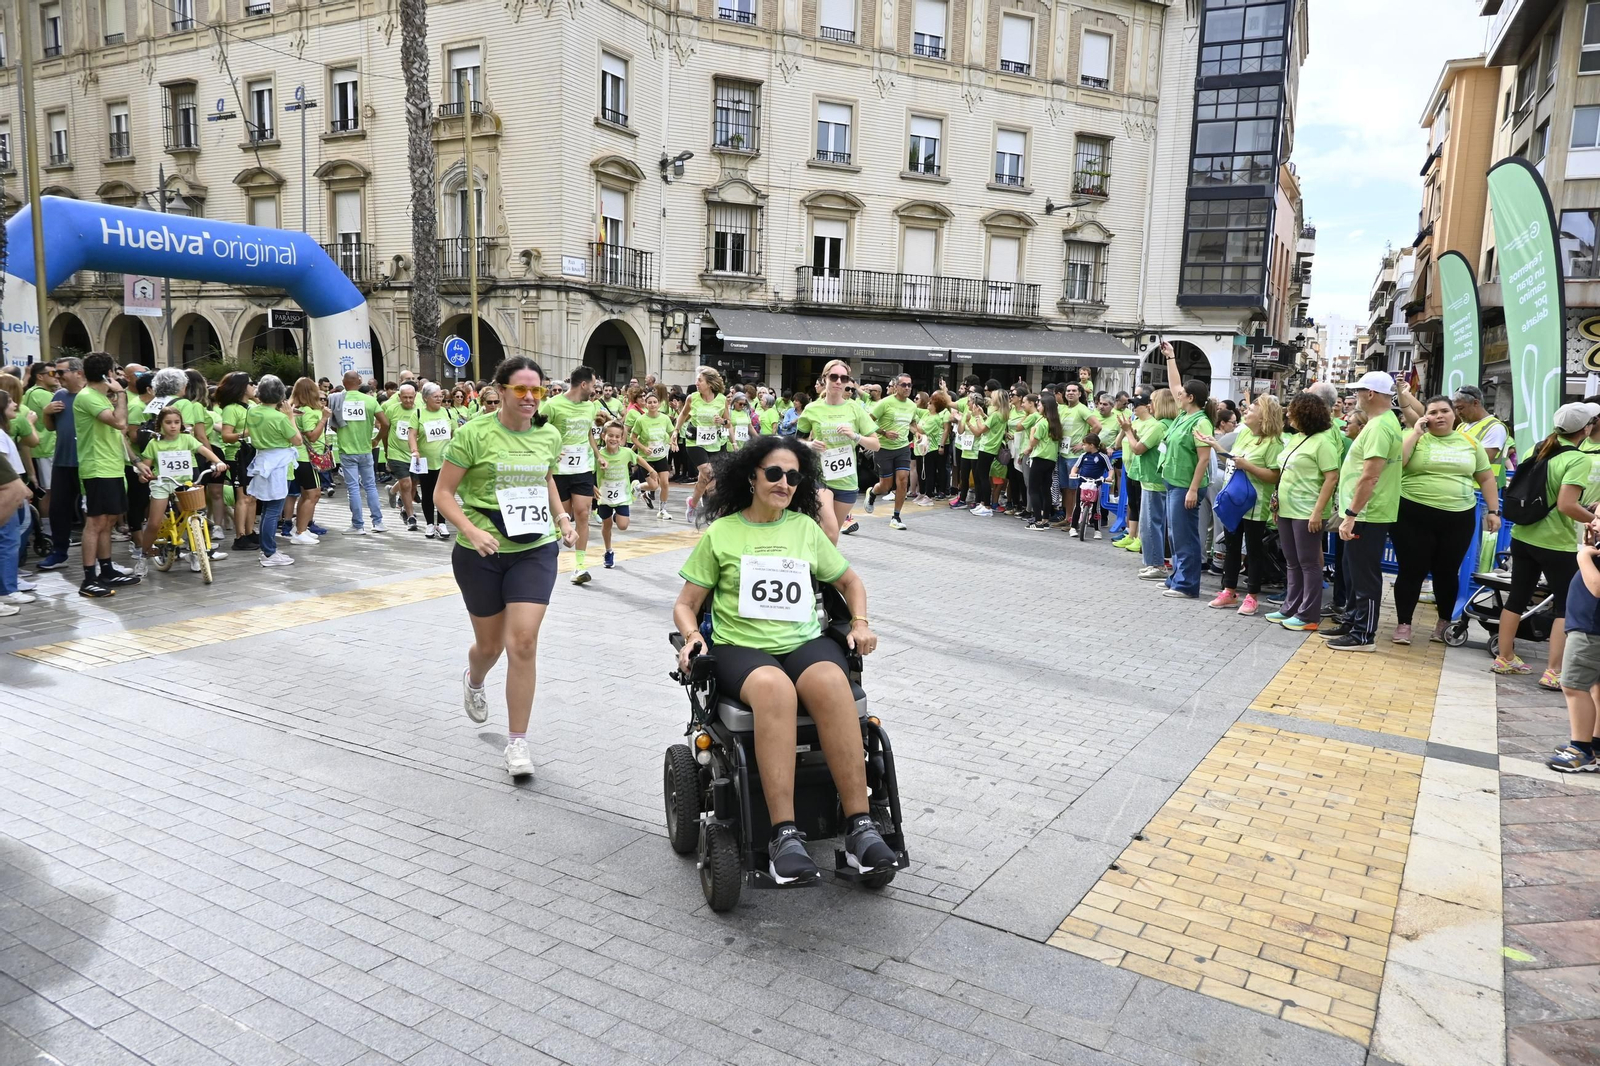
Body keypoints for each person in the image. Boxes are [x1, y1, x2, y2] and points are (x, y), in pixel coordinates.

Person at [671, 436, 896, 884]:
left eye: (794, 476)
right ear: (751, 476)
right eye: (774, 473)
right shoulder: (722, 532)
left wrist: (860, 622)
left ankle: (859, 826)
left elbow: (850, 582)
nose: (784, 483)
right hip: (742, 647)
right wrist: (693, 635)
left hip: (801, 641)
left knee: (834, 683)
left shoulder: (804, 528)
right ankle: (783, 836)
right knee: (775, 691)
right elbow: (685, 603)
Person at [432, 355, 578, 779]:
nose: (531, 397)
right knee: (490, 647)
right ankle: (475, 678)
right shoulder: (474, 434)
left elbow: (547, 477)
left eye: (538, 389)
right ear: (501, 391)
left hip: (534, 549)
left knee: (524, 643)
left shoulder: (548, 434)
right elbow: (443, 494)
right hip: (481, 552)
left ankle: (517, 743)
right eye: (522, 389)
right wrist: (471, 531)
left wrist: (563, 518)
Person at [1493, 403, 1600, 685]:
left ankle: (1505, 658)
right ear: (1585, 428)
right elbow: (1566, 505)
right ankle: (1554, 671)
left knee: (1517, 597)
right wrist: (1593, 519)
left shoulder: (1538, 447)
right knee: (1565, 606)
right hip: (1556, 543)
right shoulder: (1577, 459)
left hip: (1523, 534)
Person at [1391, 396, 1501, 645]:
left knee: (1447, 572)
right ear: (1424, 416)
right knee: (1411, 570)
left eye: (1444, 411)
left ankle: (1443, 623)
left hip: (1458, 516)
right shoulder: (1415, 437)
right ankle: (1404, 624)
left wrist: (1493, 511)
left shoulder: (1471, 443)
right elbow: (1399, 462)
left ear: (1455, 414)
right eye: (1432, 412)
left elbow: (1485, 478)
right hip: (1412, 513)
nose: (1439, 416)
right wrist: (1415, 433)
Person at [1321, 372, 1406, 651]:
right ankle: (1353, 622)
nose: (1354, 397)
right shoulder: (1381, 423)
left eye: (1357, 392)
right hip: (1368, 511)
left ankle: (1363, 634)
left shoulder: (1379, 426)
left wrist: (1352, 513)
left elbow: (1370, 475)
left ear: (1370, 393)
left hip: (1368, 513)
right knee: (1355, 571)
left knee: (1364, 574)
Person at [1202, 397, 1284, 616]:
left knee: (1254, 549)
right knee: (1231, 546)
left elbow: (1274, 475)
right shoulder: (1244, 433)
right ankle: (1229, 591)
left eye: (1251, 409)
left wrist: (1248, 466)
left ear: (1264, 416)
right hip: (1233, 499)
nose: (1245, 412)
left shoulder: (1274, 443)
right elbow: (1233, 459)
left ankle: (1252, 596)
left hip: (1255, 502)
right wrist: (1215, 445)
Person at [1270, 394, 1341, 631]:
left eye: (1292, 411)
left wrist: (1317, 512)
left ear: (1306, 414)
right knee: (1292, 561)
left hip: (1306, 510)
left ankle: (1308, 614)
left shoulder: (1323, 442)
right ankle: (1291, 607)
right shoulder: (1297, 438)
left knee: (1308, 563)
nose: (1288, 414)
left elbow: (1331, 477)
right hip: (1287, 509)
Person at [134, 407, 229, 575]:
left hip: (184, 482)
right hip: (163, 483)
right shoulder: (154, 443)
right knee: (154, 522)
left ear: (181, 424)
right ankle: (143, 555)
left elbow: (204, 450)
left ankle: (196, 552)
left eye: (177, 422)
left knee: (193, 516)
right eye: (168, 422)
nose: (173, 426)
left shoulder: (187, 439)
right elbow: (146, 467)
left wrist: (217, 462)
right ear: (161, 424)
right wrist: (144, 475)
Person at [1156, 343, 1214, 599]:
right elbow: (1174, 385)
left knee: (1185, 536)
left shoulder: (1200, 421)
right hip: (1174, 481)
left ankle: (1187, 585)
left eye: (1182, 394)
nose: (1177, 395)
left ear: (1191, 398)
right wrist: (1170, 357)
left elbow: (1203, 459)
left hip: (1186, 485)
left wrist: (1192, 489)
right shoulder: (1183, 415)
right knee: (1175, 533)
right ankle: (1176, 578)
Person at [798, 360, 879, 538]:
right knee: (831, 531)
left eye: (844, 378)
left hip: (847, 480)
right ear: (824, 378)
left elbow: (875, 444)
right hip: (820, 478)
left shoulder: (855, 409)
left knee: (828, 534)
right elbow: (797, 442)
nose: (838, 382)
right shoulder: (812, 409)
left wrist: (855, 436)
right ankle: (826, 565)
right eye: (834, 377)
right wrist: (810, 445)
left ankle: (819, 564)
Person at [541, 366, 603, 584]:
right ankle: (549, 559)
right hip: (558, 471)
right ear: (583, 385)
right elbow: (538, 431)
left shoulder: (590, 407)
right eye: (594, 385)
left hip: (583, 468)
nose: (595, 390)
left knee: (583, 514)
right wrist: (549, 454)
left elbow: (588, 433)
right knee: (562, 518)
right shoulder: (553, 405)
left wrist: (597, 455)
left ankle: (579, 566)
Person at [1548, 524, 1600, 771]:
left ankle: (1580, 750)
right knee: (1596, 688)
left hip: (1590, 631)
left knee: (1574, 686)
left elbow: (1597, 587)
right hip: (1591, 629)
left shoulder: (1590, 557)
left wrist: (1582, 556)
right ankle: (1595, 743)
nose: (1593, 522)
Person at [245, 376, 304, 568]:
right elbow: (297, 440)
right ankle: (269, 552)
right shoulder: (280, 417)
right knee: (273, 510)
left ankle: (267, 550)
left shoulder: (252, 411)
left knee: (268, 509)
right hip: (279, 464)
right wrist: (290, 417)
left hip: (262, 460)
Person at [332, 370, 389, 534]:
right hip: (366, 449)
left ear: (344, 383)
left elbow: (333, 425)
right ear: (359, 382)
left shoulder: (337, 400)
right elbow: (385, 423)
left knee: (353, 488)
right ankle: (378, 522)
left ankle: (358, 525)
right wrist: (377, 439)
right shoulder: (370, 400)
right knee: (371, 486)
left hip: (347, 450)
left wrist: (344, 433)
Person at [673, 367, 729, 524]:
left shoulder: (722, 399)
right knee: (709, 473)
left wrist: (722, 421)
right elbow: (684, 414)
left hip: (715, 442)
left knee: (703, 480)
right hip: (695, 440)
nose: (696, 383)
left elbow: (728, 422)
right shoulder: (692, 398)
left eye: (699, 380)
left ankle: (692, 503)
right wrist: (676, 431)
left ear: (709, 383)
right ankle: (714, 510)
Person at [865, 374, 919, 530]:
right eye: (904, 385)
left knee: (903, 481)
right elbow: (868, 421)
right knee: (885, 485)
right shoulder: (885, 403)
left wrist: (917, 433)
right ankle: (873, 493)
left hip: (902, 448)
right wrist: (884, 433)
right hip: (883, 448)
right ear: (895, 387)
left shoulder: (911, 405)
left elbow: (912, 422)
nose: (907, 388)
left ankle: (896, 517)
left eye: (909, 385)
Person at [287, 378, 330, 547]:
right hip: (307, 458)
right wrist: (323, 419)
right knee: (313, 494)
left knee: (306, 494)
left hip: (297, 456)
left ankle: (300, 528)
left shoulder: (294, 410)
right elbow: (312, 436)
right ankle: (300, 531)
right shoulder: (309, 412)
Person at [595, 422, 641, 569]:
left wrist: (651, 471)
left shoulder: (626, 452)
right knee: (606, 524)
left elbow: (638, 459)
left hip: (621, 496)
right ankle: (608, 551)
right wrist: (592, 486)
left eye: (617, 436)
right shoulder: (598, 455)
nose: (613, 439)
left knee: (622, 526)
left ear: (622, 439)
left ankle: (618, 514)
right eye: (610, 436)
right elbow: (589, 471)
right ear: (603, 436)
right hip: (604, 497)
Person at [414, 383, 455, 539]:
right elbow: (412, 435)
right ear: (425, 398)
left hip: (445, 460)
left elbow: (454, 434)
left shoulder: (448, 413)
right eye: (436, 396)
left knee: (444, 493)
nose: (439, 399)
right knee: (427, 492)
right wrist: (415, 450)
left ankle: (442, 523)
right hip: (425, 460)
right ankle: (430, 524)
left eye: (441, 396)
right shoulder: (418, 414)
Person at [1453, 385, 1510, 488]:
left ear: (1475, 403)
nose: (1458, 413)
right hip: (1460, 487)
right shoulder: (1462, 426)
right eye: (1455, 408)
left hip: (1481, 492)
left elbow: (1482, 461)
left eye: (1461, 408)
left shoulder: (1495, 428)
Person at [1067, 435, 1111, 537]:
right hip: (1082, 484)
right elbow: (1076, 467)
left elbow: (1110, 469)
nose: (1082, 446)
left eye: (1084, 444)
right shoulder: (1083, 456)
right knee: (1077, 505)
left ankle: (1097, 530)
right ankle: (1073, 527)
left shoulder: (1102, 456)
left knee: (1096, 508)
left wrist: (1109, 477)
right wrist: (1073, 473)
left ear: (1091, 445)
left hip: (1095, 485)